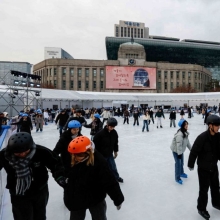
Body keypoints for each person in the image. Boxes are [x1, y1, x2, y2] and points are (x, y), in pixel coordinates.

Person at [0, 132, 66, 220]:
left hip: (39, 191)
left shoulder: (41, 151)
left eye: (26, 151)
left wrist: (60, 176)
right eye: (18, 153)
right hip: (18, 193)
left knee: (39, 215)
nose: (22, 155)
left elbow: (56, 164)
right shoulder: (4, 155)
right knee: (21, 217)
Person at [64, 136, 124, 220]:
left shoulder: (99, 162)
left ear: (88, 152)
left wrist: (118, 199)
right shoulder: (72, 156)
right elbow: (60, 169)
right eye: (73, 155)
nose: (75, 158)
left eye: (79, 156)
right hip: (77, 199)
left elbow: (109, 181)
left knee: (99, 217)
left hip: (96, 198)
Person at [188, 115, 220, 220]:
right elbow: (194, 151)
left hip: (214, 167)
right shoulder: (202, 137)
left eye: (219, 125)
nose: (218, 127)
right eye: (216, 125)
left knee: (216, 187)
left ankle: (216, 203)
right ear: (210, 125)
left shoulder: (218, 137)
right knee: (204, 190)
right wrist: (190, 164)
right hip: (203, 169)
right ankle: (201, 209)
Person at [93, 118, 123, 183]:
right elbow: (94, 145)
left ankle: (116, 177)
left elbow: (115, 143)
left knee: (113, 167)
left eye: (113, 127)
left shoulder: (114, 133)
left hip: (109, 154)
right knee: (102, 168)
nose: (112, 128)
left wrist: (115, 151)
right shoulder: (100, 134)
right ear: (107, 125)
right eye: (111, 126)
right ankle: (100, 180)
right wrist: (96, 155)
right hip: (101, 155)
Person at [170, 119, 191, 184]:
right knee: (178, 164)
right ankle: (177, 178)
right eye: (185, 124)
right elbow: (178, 145)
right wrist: (179, 154)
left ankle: (181, 173)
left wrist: (192, 150)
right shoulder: (179, 134)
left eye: (187, 124)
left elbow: (187, 143)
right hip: (176, 151)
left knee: (181, 163)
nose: (186, 125)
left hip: (180, 150)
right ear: (182, 126)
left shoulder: (185, 132)